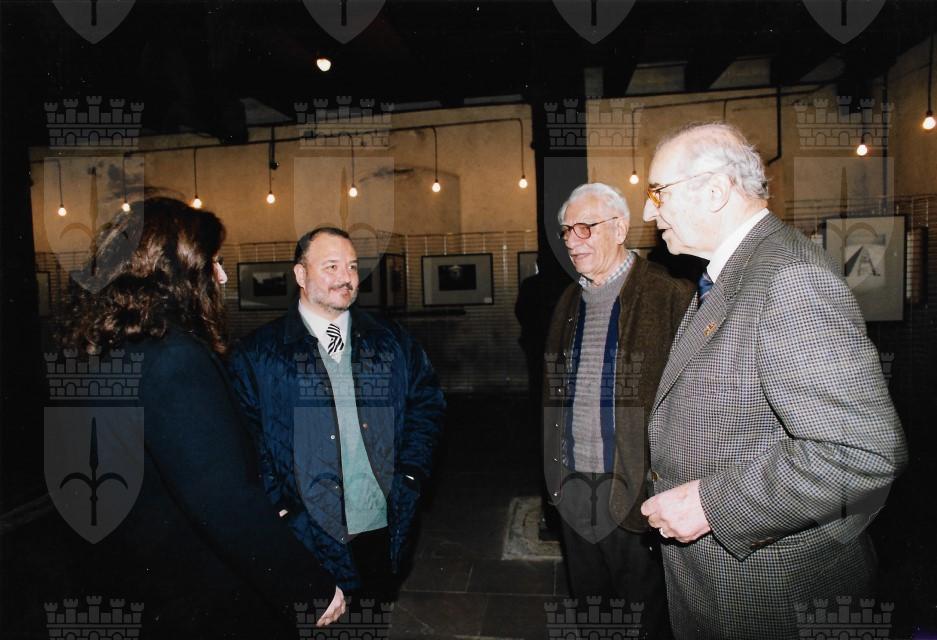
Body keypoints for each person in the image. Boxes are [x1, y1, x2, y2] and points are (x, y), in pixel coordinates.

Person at [639, 122, 908, 639]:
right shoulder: (736, 272)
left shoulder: (787, 277)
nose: (650, 213)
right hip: (731, 582)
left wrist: (711, 505)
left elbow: (864, 450)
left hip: (770, 595)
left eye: (658, 192)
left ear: (714, 192)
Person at [58, 197, 344, 637]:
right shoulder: (172, 359)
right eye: (213, 263)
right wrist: (308, 588)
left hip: (133, 580)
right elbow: (223, 499)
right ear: (178, 272)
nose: (223, 276)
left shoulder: (105, 352)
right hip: (195, 594)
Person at [228, 227, 445, 607]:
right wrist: (280, 506)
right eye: (331, 266)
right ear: (300, 274)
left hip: (380, 523)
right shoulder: (257, 354)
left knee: (371, 616)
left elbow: (426, 402)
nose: (346, 277)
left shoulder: (390, 341)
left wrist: (411, 473)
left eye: (353, 267)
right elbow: (246, 438)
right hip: (305, 530)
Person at [543, 183, 693, 639]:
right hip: (574, 487)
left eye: (585, 228)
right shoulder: (568, 301)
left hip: (636, 490)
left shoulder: (668, 295)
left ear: (620, 229)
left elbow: (693, 402)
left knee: (643, 615)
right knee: (592, 610)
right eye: (567, 230)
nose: (572, 241)